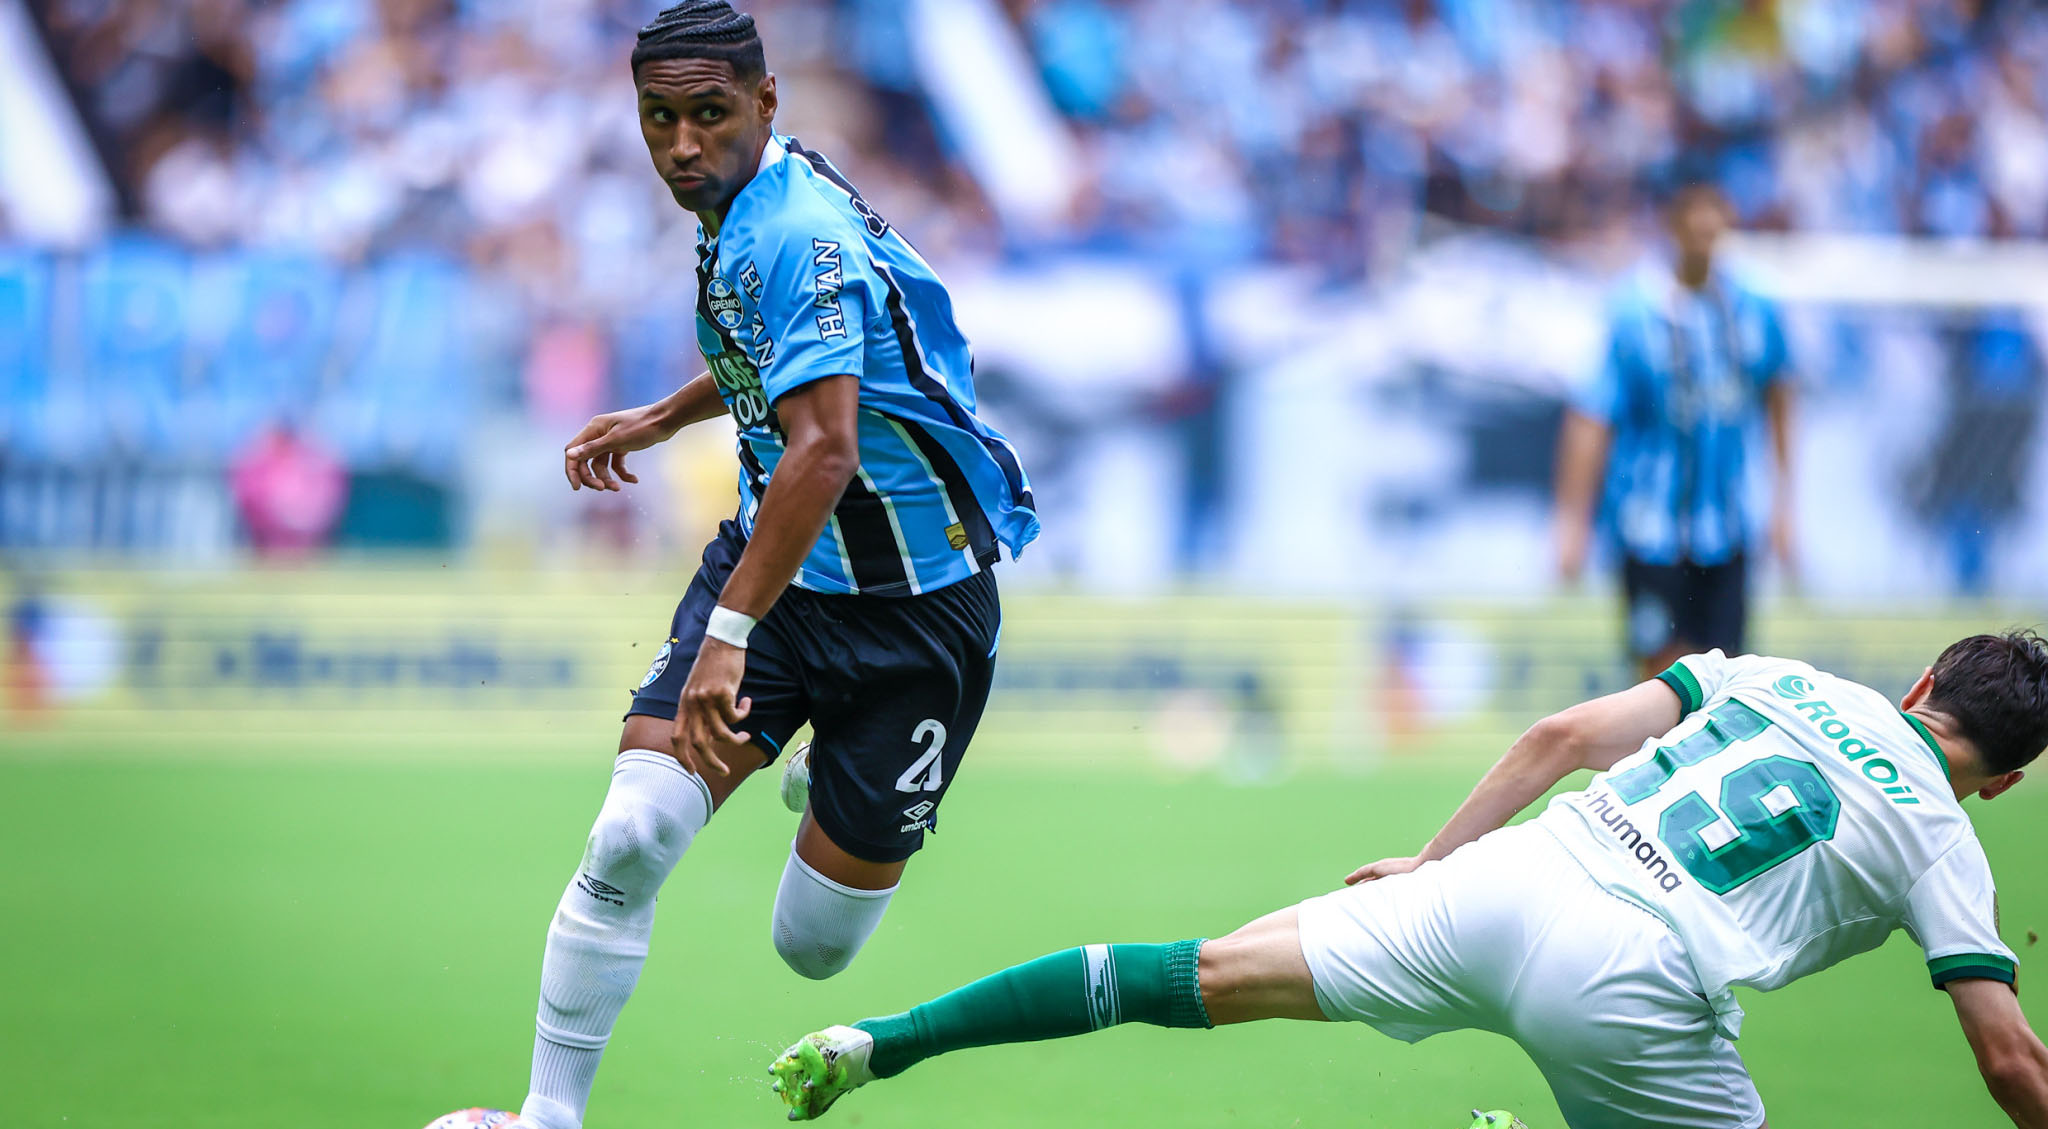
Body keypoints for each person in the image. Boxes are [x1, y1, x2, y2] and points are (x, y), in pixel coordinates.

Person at [465, 5, 1038, 1128]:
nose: (681, 144)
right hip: (775, 578)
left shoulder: (793, 231)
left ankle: (822, 762)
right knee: (631, 833)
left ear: (765, 105)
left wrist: (724, 636)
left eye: (708, 115)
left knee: (812, 949)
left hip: (915, 618)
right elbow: (775, 360)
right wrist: (669, 415)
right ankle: (545, 1115)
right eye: (659, 118)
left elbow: (821, 452)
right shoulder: (749, 197)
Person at [768, 632, 2048, 1128]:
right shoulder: (1947, 833)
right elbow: (2004, 1062)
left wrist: (1426, 867)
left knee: (1187, 973)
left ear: (1921, 685)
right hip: (1642, 991)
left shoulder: (1782, 679)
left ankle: (874, 1041)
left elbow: (1557, 740)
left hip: (1507, 879)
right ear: (2002, 779)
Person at [1555, 182, 1795, 680]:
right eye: (1693, 209)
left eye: (1715, 209)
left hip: (1727, 530)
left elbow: (1778, 395)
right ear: (1672, 220)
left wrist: (1783, 504)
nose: (1705, 223)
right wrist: (1572, 521)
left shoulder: (1757, 307)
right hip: (1649, 530)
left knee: (1727, 677)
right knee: (1660, 674)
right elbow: (1591, 417)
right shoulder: (1631, 311)